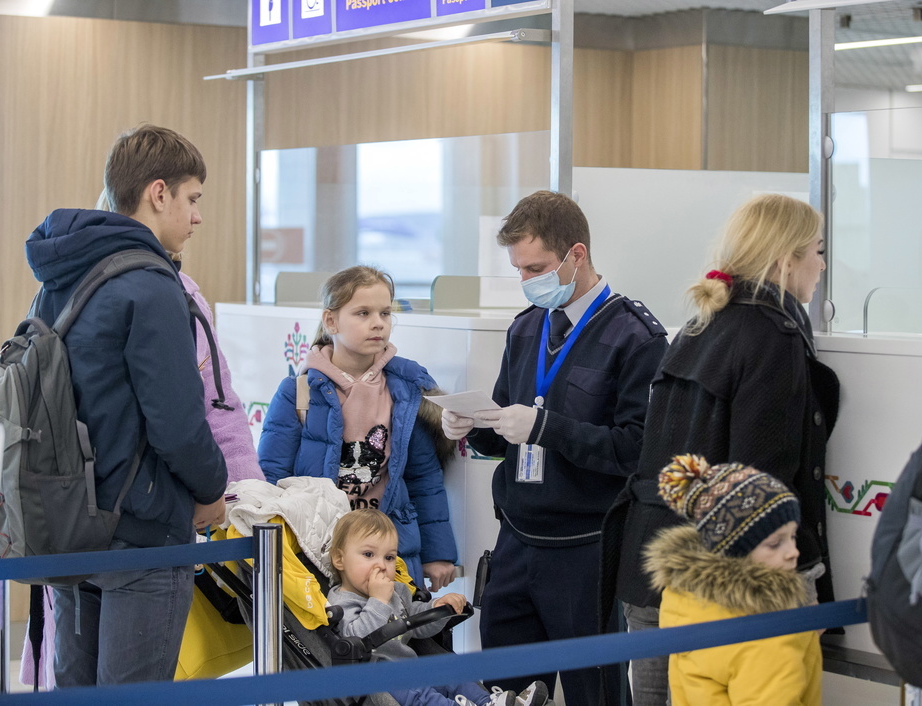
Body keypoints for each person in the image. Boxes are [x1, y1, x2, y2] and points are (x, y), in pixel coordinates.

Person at [18, 182, 264, 690]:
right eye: (194, 198)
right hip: (143, 531)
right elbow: (177, 422)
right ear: (158, 193)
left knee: (75, 689)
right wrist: (211, 489)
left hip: (69, 520)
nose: (197, 216)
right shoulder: (153, 284)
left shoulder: (61, 275)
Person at [600, 193, 840, 705]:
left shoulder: (699, 325)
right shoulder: (773, 335)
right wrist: (796, 578)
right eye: (817, 250)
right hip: (725, 585)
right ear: (786, 259)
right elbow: (760, 481)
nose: (822, 263)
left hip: (653, 565)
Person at [440, 190, 668, 705]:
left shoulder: (635, 336)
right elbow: (507, 424)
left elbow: (636, 450)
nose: (526, 282)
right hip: (517, 538)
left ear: (577, 255)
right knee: (503, 694)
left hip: (585, 548)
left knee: (596, 693)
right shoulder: (526, 328)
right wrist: (471, 426)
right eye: (518, 270)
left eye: (536, 268)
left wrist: (547, 428)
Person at [258, 265, 458, 590]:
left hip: (391, 554)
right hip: (316, 552)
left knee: (395, 637)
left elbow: (424, 478)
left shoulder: (405, 392)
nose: (378, 322)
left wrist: (438, 554)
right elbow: (271, 474)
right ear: (331, 321)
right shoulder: (298, 392)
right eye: (363, 313)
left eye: (385, 312)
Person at [645, 454, 821, 705]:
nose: (793, 551)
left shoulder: (687, 604)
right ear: (733, 551)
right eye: (774, 544)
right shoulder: (766, 631)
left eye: (793, 536)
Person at [328, 509, 549, 706]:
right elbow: (355, 640)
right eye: (368, 555)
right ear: (339, 559)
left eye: (389, 557)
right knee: (419, 694)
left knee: (449, 669)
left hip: (411, 668)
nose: (381, 565)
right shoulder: (341, 601)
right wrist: (378, 601)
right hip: (378, 679)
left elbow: (413, 623)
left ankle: (487, 701)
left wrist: (436, 606)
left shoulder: (396, 590)